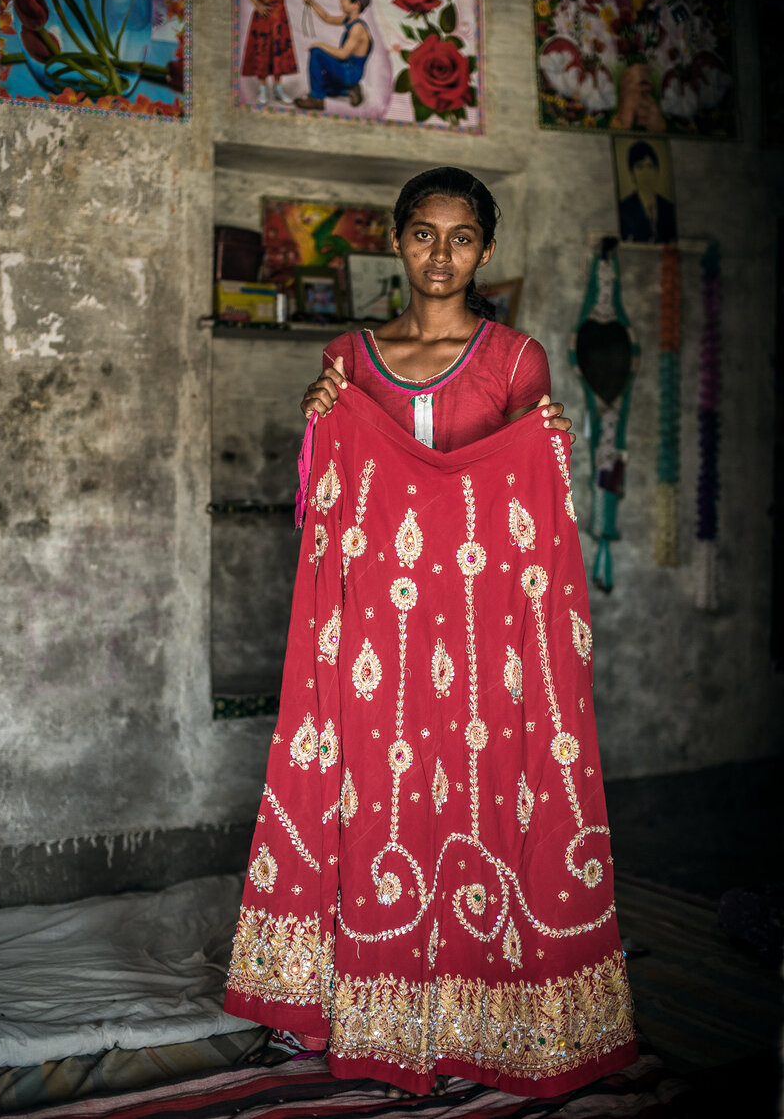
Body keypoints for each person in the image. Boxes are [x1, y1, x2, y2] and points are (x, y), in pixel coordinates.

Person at [224, 168, 637, 1098]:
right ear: (397, 242)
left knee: (488, 793)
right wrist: (320, 425)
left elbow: (528, 497)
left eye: (460, 237)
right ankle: (345, 1003)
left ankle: (488, 1009)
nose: (440, 254)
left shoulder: (514, 360)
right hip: (377, 632)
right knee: (365, 791)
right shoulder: (349, 355)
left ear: (485, 249)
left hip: (482, 631)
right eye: (423, 234)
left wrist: (550, 439)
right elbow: (327, 503)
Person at [294, 0, 372, 111]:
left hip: (350, 72)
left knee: (317, 53)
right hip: (346, 68)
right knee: (323, 85)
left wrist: (320, 45)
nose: (339, 1)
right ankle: (350, 90)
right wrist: (311, 3)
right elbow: (327, 18)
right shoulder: (349, 20)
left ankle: (316, 99)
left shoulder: (357, 28)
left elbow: (343, 54)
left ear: (356, 4)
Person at [618, 140, 677, 244]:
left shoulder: (668, 208)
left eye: (649, 166)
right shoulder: (624, 209)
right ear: (632, 173)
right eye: (640, 167)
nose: (646, 173)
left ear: (656, 170)